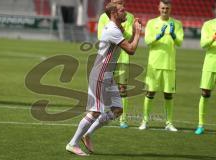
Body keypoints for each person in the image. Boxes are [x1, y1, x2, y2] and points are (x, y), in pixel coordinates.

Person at [66, 2, 142, 156]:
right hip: (100, 74)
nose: (125, 12)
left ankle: (88, 134)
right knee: (95, 111)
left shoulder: (115, 28)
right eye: (122, 10)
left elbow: (126, 42)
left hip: (108, 75)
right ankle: (72, 143)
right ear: (114, 13)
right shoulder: (113, 30)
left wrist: (131, 32)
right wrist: (138, 32)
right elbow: (131, 50)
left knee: (118, 110)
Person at [138, 0, 184, 131]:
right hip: (154, 64)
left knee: (168, 94)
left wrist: (174, 35)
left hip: (169, 64)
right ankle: (144, 121)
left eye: (167, 8)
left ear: (171, 9)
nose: (165, 10)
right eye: (163, 8)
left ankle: (169, 123)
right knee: (150, 92)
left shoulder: (177, 24)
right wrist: (159, 36)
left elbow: (180, 42)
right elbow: (147, 41)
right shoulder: (152, 23)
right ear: (159, 8)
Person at [98, 0, 134, 128]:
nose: (120, 4)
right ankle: (84, 134)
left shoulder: (128, 16)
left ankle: (123, 120)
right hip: (108, 59)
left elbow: (127, 36)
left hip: (122, 56)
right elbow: (101, 36)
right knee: (96, 109)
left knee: (123, 90)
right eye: (116, 2)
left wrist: (127, 32)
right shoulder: (104, 16)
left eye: (121, 2)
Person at [195, 19, 216, 135]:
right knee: (205, 93)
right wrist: (213, 37)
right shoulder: (208, 25)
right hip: (210, 64)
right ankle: (201, 125)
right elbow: (203, 44)